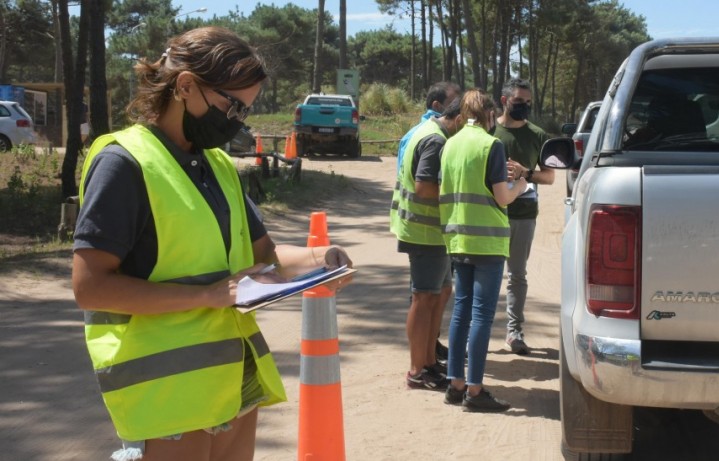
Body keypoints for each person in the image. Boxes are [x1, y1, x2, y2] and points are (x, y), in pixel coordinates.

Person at [71, 27, 352, 461]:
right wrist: (207, 295)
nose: (237, 119)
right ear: (186, 86)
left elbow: (264, 258)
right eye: (232, 105)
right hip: (167, 387)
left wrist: (321, 261)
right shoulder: (122, 163)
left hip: (231, 377)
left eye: (245, 110)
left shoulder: (216, 165)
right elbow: (91, 287)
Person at [439, 89, 528, 412]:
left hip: (458, 238)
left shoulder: (450, 145)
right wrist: (521, 185)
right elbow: (502, 197)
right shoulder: (491, 145)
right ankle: (475, 392)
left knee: (461, 312)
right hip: (487, 240)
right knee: (481, 315)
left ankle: (455, 383)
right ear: (490, 114)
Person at [391, 98, 463, 390]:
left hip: (433, 233)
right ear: (458, 119)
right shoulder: (434, 140)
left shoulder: (432, 132)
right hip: (425, 233)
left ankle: (429, 361)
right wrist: (458, 193)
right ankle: (417, 370)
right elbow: (423, 187)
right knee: (423, 298)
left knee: (440, 293)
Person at [492, 78, 554, 355]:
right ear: (505, 101)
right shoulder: (489, 130)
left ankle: (514, 332)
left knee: (517, 274)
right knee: (486, 274)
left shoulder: (538, 135)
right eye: (519, 102)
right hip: (489, 214)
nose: (524, 107)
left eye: (528, 103)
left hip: (523, 214)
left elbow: (549, 177)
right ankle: (475, 333)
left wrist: (525, 172)